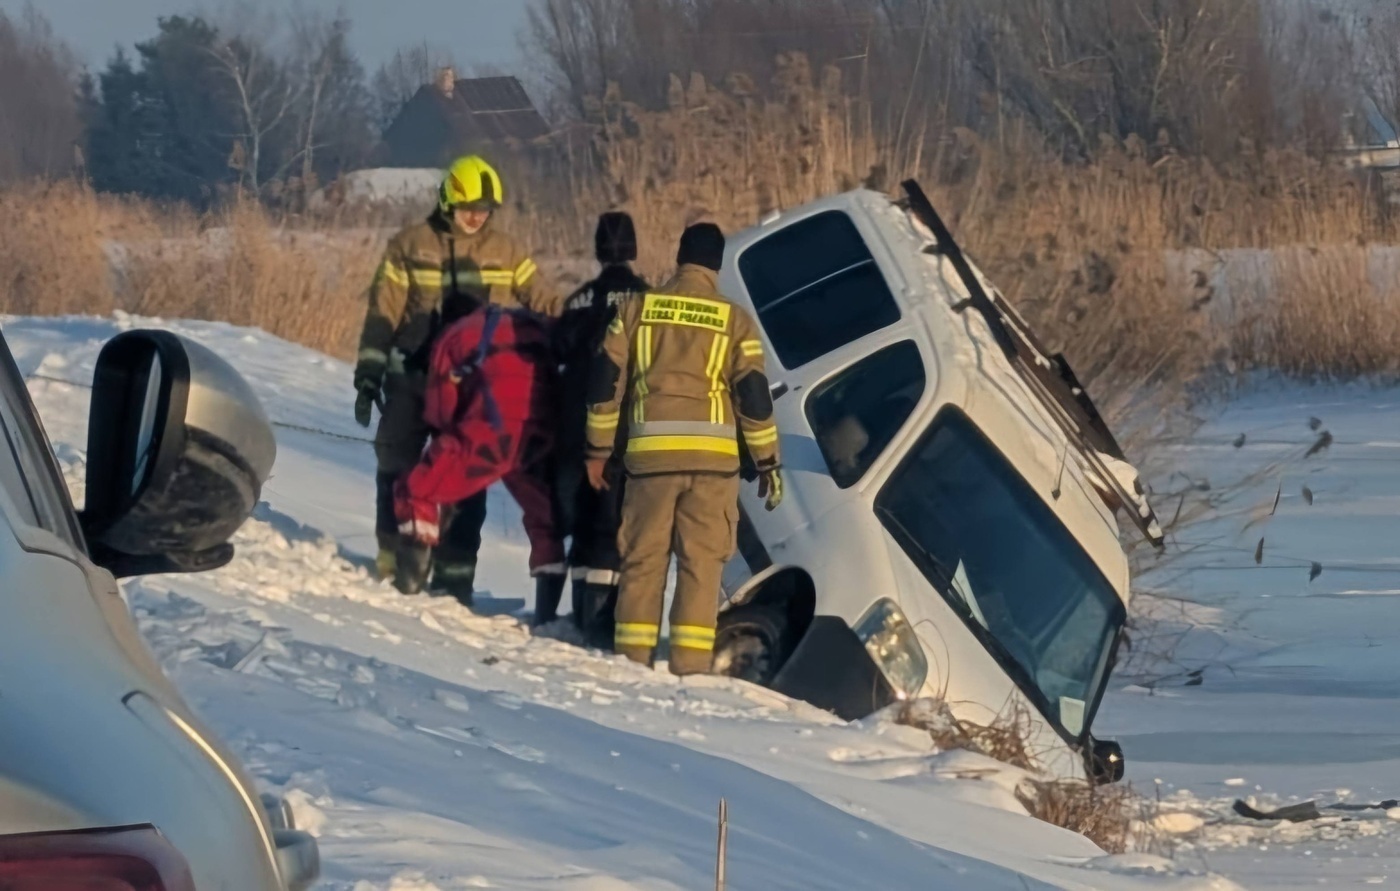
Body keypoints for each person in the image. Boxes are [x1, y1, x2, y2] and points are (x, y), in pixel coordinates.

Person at [352, 154, 561, 602]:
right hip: (413, 374)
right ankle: (395, 563)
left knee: (466, 482)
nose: (477, 217)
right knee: (396, 464)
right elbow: (382, 311)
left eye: (485, 210)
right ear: (448, 202)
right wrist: (369, 372)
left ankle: (454, 580)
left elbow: (542, 299)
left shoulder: (505, 251)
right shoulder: (410, 245)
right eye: (470, 208)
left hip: (469, 389)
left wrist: (581, 321)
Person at [583, 223, 784, 675]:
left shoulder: (637, 309)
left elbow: (604, 384)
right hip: (712, 469)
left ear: (679, 258)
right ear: (716, 265)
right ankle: (689, 670)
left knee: (643, 561)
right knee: (701, 567)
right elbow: (753, 398)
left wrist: (597, 450)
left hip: (651, 462)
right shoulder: (736, 322)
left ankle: (632, 663)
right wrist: (769, 462)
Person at [393, 304, 567, 617]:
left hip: (487, 434)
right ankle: (547, 612)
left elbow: (440, 404)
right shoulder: (537, 328)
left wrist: (448, 435)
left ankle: (408, 586)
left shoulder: (456, 335)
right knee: (546, 517)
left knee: (416, 490)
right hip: (538, 435)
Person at [552, 212, 650, 648]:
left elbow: (554, 356)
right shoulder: (650, 302)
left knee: (578, 520)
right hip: (626, 433)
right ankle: (606, 622)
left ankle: (579, 612)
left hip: (575, 430)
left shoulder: (577, 302)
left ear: (596, 249)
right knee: (616, 525)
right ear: (633, 248)